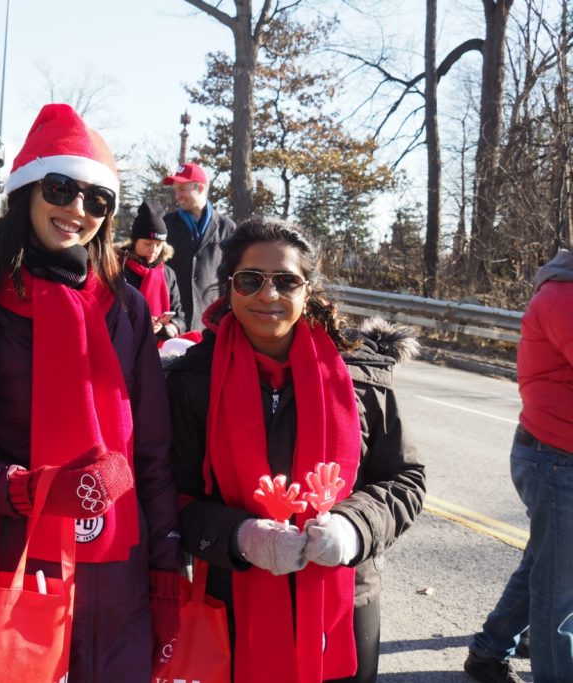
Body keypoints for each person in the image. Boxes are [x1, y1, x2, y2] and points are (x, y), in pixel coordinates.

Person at [0, 103, 182, 681]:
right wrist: (39, 491)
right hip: (14, 565)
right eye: (60, 189)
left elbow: (151, 453)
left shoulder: (126, 309)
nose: (77, 210)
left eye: (97, 200)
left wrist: (168, 574)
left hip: (116, 572)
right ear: (26, 193)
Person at [166, 217, 426, 682]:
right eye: (251, 280)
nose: (268, 295)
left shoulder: (364, 377)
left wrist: (353, 528)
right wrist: (241, 537)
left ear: (309, 291)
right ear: (229, 289)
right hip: (231, 593)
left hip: (345, 597)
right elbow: (170, 496)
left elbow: (404, 480)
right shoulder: (191, 381)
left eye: (286, 281)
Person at [465, 248, 573, 683]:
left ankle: (489, 653)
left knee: (546, 568)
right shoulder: (563, 297)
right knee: (558, 594)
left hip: (554, 455)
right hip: (556, 458)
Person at [162, 162, 235, 332]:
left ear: (200, 188)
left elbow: (232, 277)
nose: (177, 196)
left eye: (182, 189)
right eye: (175, 190)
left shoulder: (227, 227)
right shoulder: (166, 224)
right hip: (173, 324)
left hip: (211, 324)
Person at [118, 199, 186, 342]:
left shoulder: (167, 274)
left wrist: (165, 328)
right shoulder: (118, 268)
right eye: (147, 244)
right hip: (124, 344)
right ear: (135, 242)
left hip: (160, 348)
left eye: (159, 244)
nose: (153, 250)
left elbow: (180, 318)